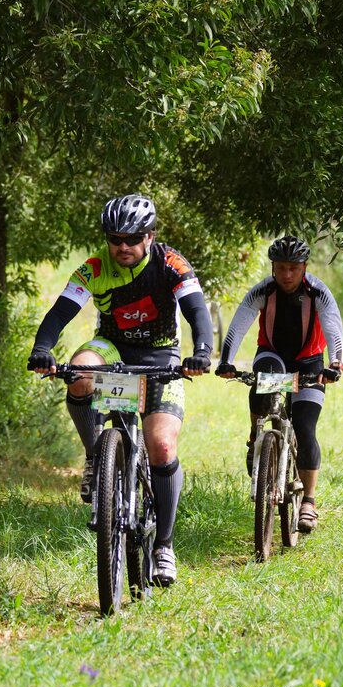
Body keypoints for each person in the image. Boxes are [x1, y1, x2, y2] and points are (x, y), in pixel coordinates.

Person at [28, 194, 213, 586]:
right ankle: (97, 455)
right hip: (111, 348)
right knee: (79, 372)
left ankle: (164, 545)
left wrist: (201, 352)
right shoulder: (95, 268)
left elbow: (196, 309)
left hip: (161, 355)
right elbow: (61, 312)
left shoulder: (170, 262)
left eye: (132, 238)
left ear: (150, 236)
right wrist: (42, 349)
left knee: (162, 445)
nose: (123, 247)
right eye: (115, 239)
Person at [216, 236, 343, 533]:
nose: (287, 275)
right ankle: (255, 437)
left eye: (294, 269)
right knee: (262, 381)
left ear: (304, 267)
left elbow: (333, 327)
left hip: (310, 361)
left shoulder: (318, 292)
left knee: (305, 428)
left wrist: (335, 364)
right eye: (281, 268)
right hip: (272, 354)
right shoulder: (263, 290)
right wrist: (226, 361)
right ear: (273, 267)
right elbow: (239, 323)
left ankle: (309, 501)